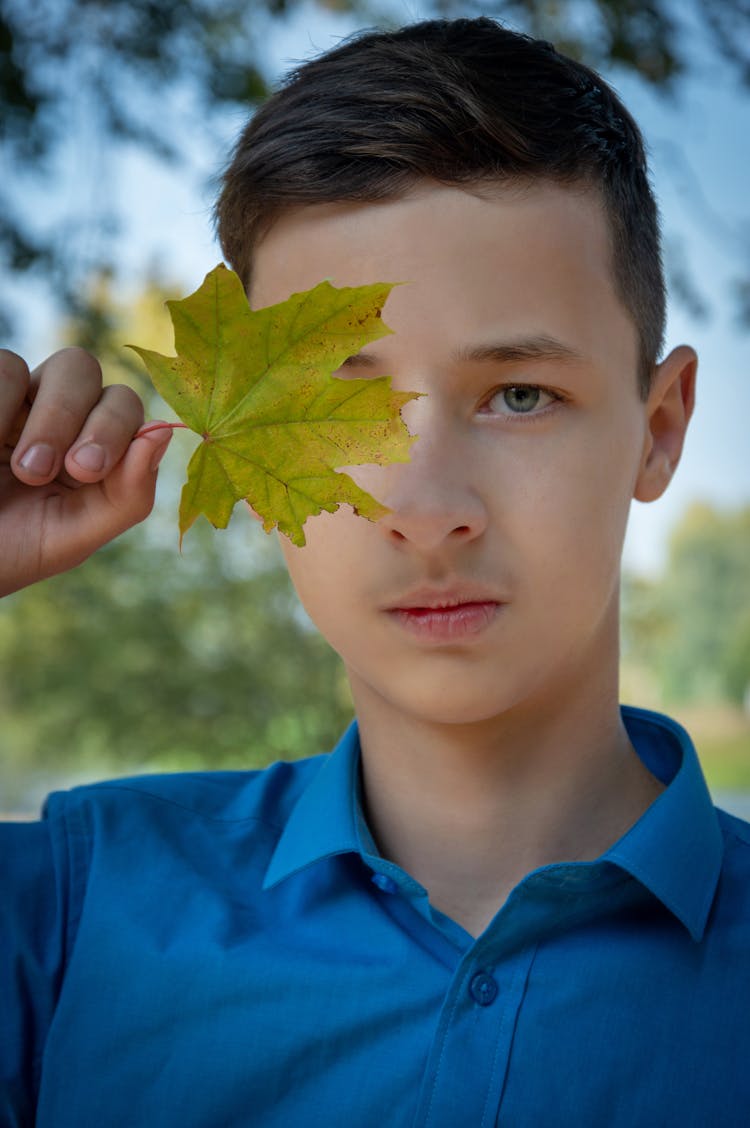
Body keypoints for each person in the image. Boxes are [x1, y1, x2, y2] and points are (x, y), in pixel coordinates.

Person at [1, 17, 748, 1127]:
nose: (430, 513)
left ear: (658, 428)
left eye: (520, 396)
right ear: (247, 445)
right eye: (343, 408)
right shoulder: (64, 912)